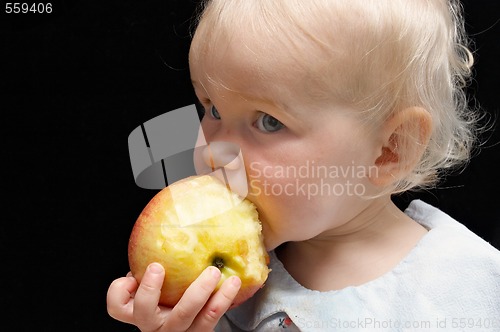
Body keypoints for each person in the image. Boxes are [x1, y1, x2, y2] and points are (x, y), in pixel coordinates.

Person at [106, 0, 500, 331]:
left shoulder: (467, 288)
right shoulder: (221, 285)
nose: (213, 151)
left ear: (389, 150)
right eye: (212, 108)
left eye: (268, 121)